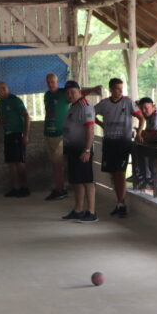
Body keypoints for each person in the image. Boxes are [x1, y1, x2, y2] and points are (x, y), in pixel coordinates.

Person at [43, 73, 102, 201]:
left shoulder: (66, 95)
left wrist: (92, 89)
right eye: (48, 82)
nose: (50, 84)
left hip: (63, 136)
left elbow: (79, 92)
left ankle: (61, 190)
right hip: (51, 134)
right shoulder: (48, 95)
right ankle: (72, 201)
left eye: (52, 81)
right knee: (57, 165)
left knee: (63, 167)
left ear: (58, 82)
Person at [95, 78, 146, 218]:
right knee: (113, 173)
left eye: (121, 88)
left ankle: (122, 203)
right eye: (117, 88)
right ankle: (119, 202)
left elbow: (141, 118)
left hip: (123, 142)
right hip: (109, 142)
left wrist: (139, 133)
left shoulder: (128, 102)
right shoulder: (104, 104)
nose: (120, 91)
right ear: (111, 89)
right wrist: (101, 124)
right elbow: (90, 113)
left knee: (120, 172)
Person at [60, 81, 98, 223]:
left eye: (73, 92)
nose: (70, 95)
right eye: (68, 93)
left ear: (80, 92)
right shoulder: (73, 107)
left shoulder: (85, 107)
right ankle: (78, 210)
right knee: (77, 181)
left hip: (83, 149)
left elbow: (90, 129)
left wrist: (87, 150)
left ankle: (92, 212)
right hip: (72, 149)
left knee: (87, 181)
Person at [0, 81, 31, 198]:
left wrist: (25, 135)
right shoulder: (1, 103)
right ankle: (16, 188)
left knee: (19, 162)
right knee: (11, 162)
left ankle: (24, 187)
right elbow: (1, 118)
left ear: (4, 89)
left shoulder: (15, 100)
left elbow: (26, 116)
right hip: (8, 134)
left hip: (17, 134)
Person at [133, 97, 157, 188]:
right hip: (156, 139)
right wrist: (142, 134)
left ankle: (150, 177)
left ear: (153, 106)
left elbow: (152, 136)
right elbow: (148, 134)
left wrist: (140, 133)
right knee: (136, 146)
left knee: (145, 149)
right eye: (142, 109)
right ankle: (142, 175)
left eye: (146, 108)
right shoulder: (149, 114)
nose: (144, 111)